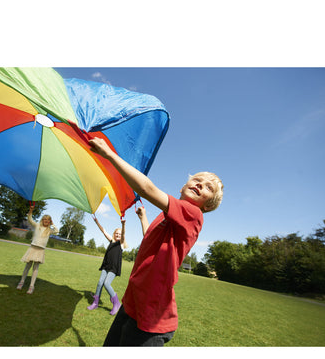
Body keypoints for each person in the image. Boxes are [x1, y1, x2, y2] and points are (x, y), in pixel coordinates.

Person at [89, 137, 224, 346]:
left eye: (208, 188)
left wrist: (109, 155)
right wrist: (144, 219)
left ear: (207, 205)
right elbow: (149, 243)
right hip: (133, 302)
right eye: (197, 179)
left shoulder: (194, 214)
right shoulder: (166, 216)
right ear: (183, 186)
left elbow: (147, 189)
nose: (200, 184)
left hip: (152, 316)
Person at [87, 215, 128, 315]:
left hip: (114, 268)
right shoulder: (111, 241)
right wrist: (97, 222)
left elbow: (123, 235)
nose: (118, 235)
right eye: (116, 233)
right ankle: (95, 303)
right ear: (114, 234)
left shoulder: (121, 243)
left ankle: (116, 303)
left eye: (119, 234)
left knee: (106, 283)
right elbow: (104, 231)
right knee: (100, 282)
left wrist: (123, 224)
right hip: (106, 266)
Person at [17, 204, 58, 294]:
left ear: (49, 221)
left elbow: (56, 231)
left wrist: (53, 224)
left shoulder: (49, 230)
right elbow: (30, 220)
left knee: (35, 268)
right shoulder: (37, 226)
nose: (46, 221)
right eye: (44, 219)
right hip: (33, 248)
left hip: (40, 250)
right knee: (28, 266)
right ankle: (21, 282)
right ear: (42, 220)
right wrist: (31, 211)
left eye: (48, 220)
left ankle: (31, 286)